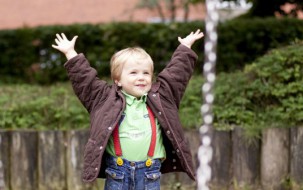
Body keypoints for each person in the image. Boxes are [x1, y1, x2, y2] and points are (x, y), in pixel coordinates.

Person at [52, 29, 204, 190]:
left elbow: (176, 74)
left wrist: (185, 47)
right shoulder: (104, 99)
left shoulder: (162, 96)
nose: (141, 77)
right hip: (117, 173)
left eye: (146, 73)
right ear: (117, 80)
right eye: (133, 73)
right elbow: (85, 80)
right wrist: (70, 53)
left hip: (150, 173)